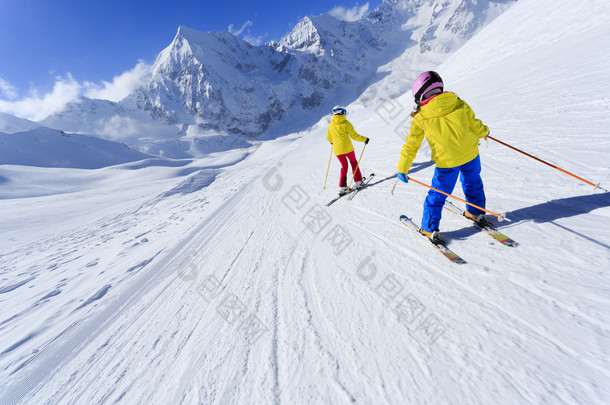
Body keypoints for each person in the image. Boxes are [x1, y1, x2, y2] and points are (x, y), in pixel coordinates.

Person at [397, 71, 489, 244]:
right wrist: (484, 132)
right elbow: (474, 124)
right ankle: (476, 212)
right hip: (471, 154)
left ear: (420, 96)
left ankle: (429, 229)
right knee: (473, 182)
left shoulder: (420, 118)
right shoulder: (458, 102)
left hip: (447, 163)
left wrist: (403, 168)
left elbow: (411, 145)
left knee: (438, 194)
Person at [326, 105, 370, 194]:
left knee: (344, 166)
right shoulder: (346, 123)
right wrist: (364, 139)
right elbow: (354, 135)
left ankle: (342, 187)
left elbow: (328, 137)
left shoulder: (331, 125)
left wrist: (332, 143)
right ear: (343, 112)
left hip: (337, 150)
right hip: (347, 148)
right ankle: (358, 182)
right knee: (353, 163)